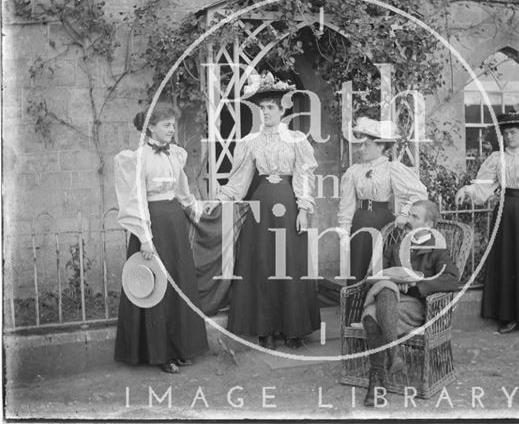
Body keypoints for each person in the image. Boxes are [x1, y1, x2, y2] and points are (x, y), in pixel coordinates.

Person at [214, 72, 320, 350]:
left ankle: (293, 329)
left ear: (283, 110)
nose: (266, 112)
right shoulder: (250, 141)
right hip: (261, 206)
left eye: (271, 107)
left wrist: (303, 209)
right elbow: (240, 179)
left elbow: (304, 175)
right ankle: (265, 329)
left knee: (289, 264)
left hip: (287, 203)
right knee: (263, 264)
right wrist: (220, 199)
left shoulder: (297, 139)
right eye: (262, 108)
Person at [113, 102, 209, 373]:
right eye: (166, 125)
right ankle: (160, 353)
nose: (171, 129)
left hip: (174, 224)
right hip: (152, 225)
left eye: (173, 125)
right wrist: (144, 237)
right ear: (151, 128)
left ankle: (180, 348)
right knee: (156, 286)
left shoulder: (175, 155)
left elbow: (181, 189)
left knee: (178, 282)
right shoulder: (137, 158)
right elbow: (136, 200)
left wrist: (194, 207)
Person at [455, 109, 519, 337]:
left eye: (513, 132)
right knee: (507, 262)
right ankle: (510, 316)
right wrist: (466, 190)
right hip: (503, 213)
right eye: (505, 133)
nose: (508, 137)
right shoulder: (497, 159)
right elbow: (483, 185)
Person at [361, 200, 459, 407]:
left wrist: (415, 286)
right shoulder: (396, 247)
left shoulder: (437, 250)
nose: (408, 221)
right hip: (388, 298)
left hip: (415, 304)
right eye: (409, 215)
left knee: (372, 317)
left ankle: (376, 381)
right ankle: (393, 356)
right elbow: (373, 274)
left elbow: (451, 279)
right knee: (383, 292)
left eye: (415, 217)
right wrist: (389, 277)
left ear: (429, 224)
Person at [338, 117, 429, 282]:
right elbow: (347, 205)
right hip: (359, 223)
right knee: (358, 268)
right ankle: (356, 306)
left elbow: (419, 193)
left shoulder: (391, 168)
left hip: (384, 224)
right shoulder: (354, 172)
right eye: (360, 144)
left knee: (381, 266)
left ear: (380, 146)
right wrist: (344, 233)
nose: (361, 148)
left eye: (367, 144)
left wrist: (404, 212)